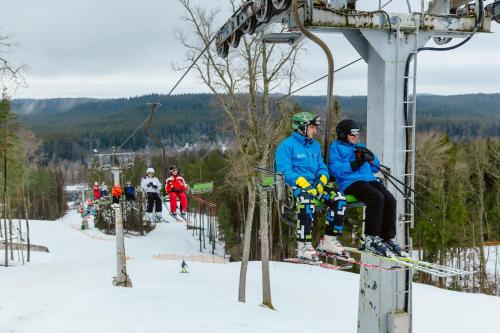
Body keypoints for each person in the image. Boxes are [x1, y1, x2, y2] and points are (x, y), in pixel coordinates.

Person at [329, 119, 407, 257]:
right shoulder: (335, 148)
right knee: (376, 197)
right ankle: (371, 238)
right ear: (343, 134)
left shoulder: (359, 146)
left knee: (390, 199)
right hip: (350, 182)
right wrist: (355, 163)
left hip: (369, 179)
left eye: (357, 133)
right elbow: (336, 170)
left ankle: (387, 237)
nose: (356, 136)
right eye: (352, 133)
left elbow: (375, 167)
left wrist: (369, 156)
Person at [275, 112, 347, 262]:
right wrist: (302, 182)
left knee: (339, 198)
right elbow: (284, 170)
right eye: (312, 127)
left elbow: (321, 166)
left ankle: (329, 239)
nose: (314, 130)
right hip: (295, 186)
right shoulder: (286, 146)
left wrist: (322, 180)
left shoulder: (315, 146)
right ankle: (303, 244)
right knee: (306, 201)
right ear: (301, 128)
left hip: (314, 185)